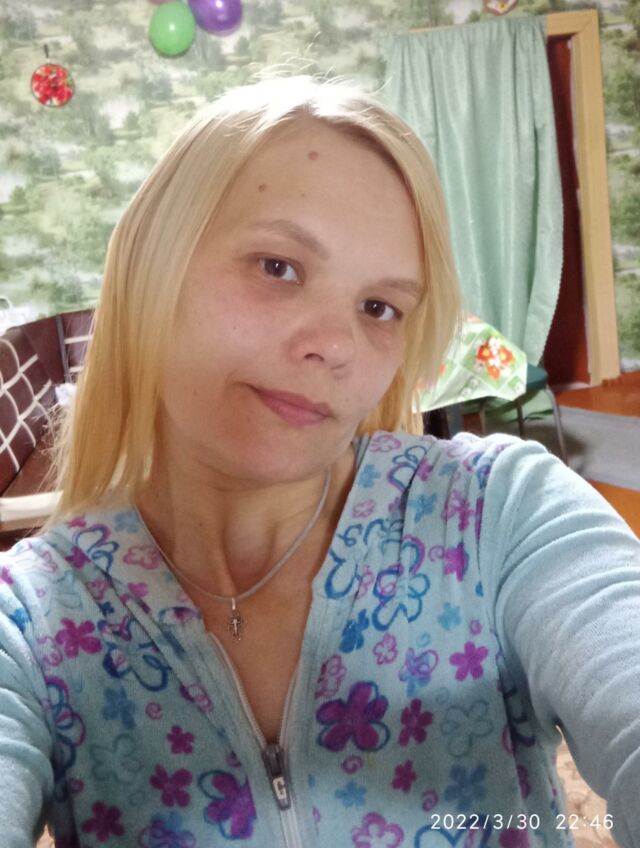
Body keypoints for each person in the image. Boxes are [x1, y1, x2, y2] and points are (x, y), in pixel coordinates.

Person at [0, 73, 639, 848]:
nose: (336, 346)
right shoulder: (31, 622)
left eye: (379, 308)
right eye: (278, 266)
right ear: (149, 269)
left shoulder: (498, 512)